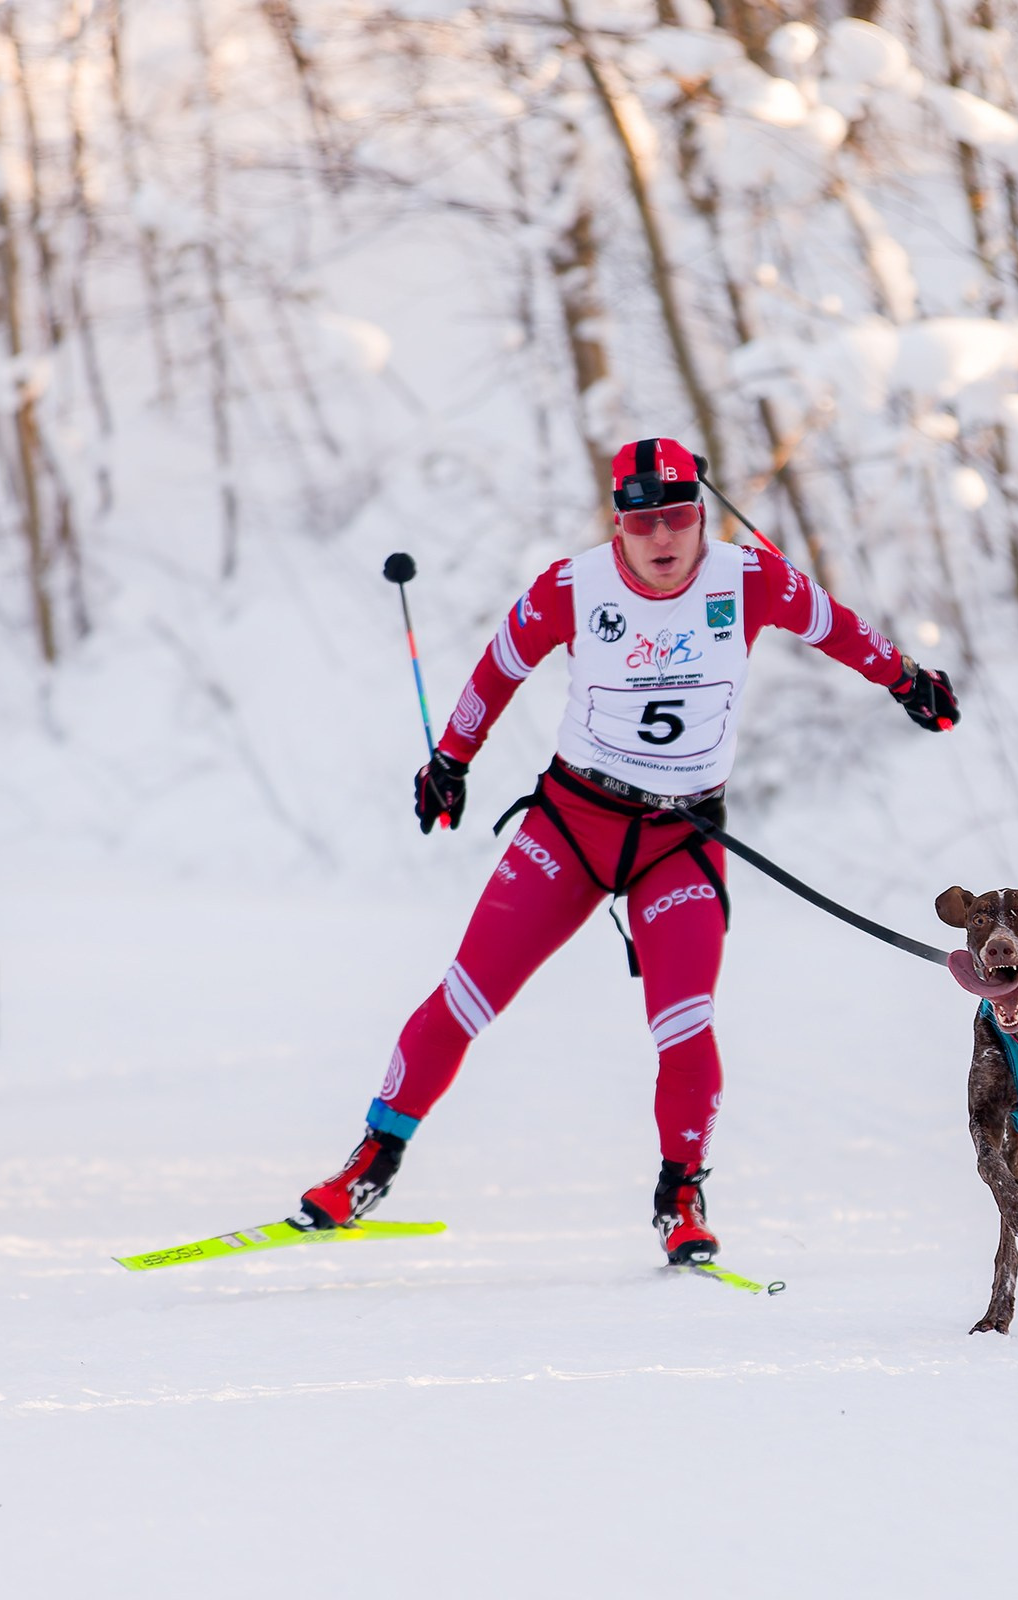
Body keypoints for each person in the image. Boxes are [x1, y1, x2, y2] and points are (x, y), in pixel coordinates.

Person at [292, 439, 959, 1265]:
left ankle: (680, 1196)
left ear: (701, 513)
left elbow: (838, 628)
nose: (663, 538)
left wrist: (906, 680)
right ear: (619, 524)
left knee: (686, 1027)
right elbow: (500, 668)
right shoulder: (573, 588)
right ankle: (370, 1164)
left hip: (681, 840)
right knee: (466, 998)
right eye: (643, 522)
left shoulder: (749, 579)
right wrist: (451, 763)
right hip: (572, 828)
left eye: (678, 516)